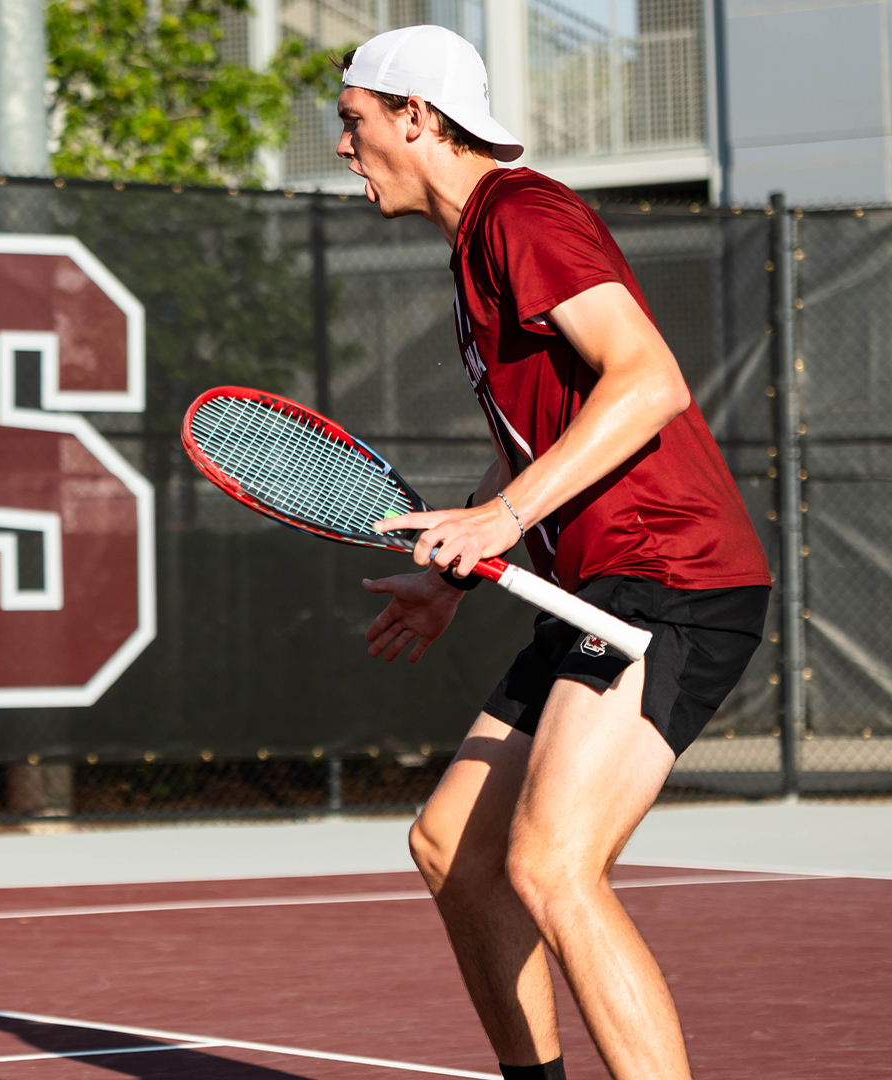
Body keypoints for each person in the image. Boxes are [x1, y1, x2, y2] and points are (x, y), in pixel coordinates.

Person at [335, 26, 773, 1080]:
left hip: (672, 578)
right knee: (454, 848)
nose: (343, 147)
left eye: (353, 122)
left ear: (415, 117)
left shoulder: (521, 214)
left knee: (552, 864)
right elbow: (530, 441)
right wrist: (451, 573)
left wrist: (500, 518)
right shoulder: (474, 250)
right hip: (606, 585)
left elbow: (648, 378)